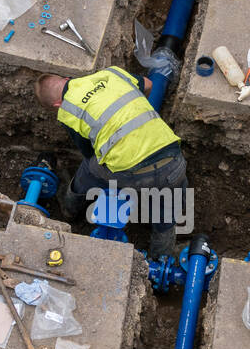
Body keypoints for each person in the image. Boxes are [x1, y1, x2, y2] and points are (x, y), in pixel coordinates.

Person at [35, 67, 189, 258]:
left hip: (129, 173)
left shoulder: (69, 109)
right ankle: (162, 258)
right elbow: (149, 84)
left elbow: (89, 153)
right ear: (67, 78)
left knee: (90, 167)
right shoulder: (110, 73)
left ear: (58, 104)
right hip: (173, 162)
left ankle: (69, 209)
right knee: (167, 212)